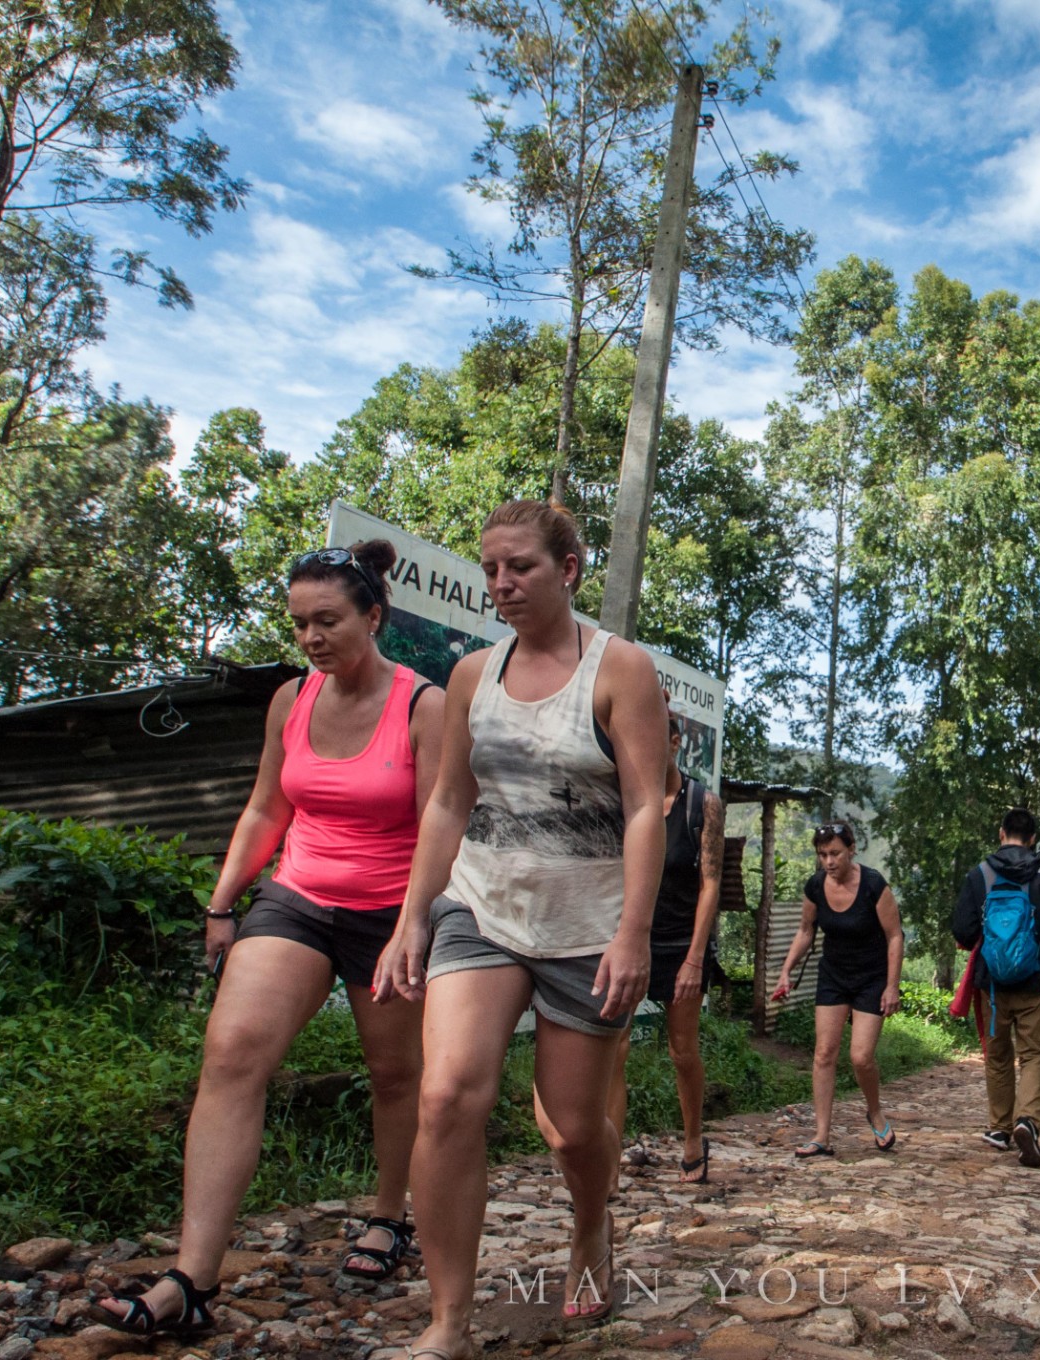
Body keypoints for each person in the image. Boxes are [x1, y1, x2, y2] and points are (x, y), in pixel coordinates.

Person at [93, 542, 444, 1338]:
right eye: (299, 624)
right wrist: (224, 904)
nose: (311, 637)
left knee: (395, 1075)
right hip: (297, 898)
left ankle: (390, 1217)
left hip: (388, 910)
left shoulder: (423, 705)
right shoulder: (290, 699)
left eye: (328, 620)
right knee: (232, 1054)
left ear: (374, 617)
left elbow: (441, 825)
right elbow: (265, 808)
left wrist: (413, 924)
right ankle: (193, 1276)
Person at [374, 499, 669, 1355]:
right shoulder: (472, 675)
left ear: (568, 570)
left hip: (589, 925)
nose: (501, 584)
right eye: (491, 568)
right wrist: (412, 920)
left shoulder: (622, 671)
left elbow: (648, 805)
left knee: (571, 1128)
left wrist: (634, 934)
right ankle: (449, 1321)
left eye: (521, 567)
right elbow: (450, 802)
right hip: (482, 908)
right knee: (446, 1096)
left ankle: (588, 1227)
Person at [535, 704, 727, 1186]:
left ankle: (691, 1138)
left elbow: (710, 885)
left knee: (682, 1050)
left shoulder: (700, 803)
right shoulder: (620, 800)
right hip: (628, 935)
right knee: (614, 1046)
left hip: (682, 940)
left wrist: (694, 960)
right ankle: (611, 1160)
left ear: (675, 742)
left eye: (654, 738)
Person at [951, 806, 1040, 1170]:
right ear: (1033, 839)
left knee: (997, 1056)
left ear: (1001, 834)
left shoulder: (979, 874)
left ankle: (999, 1128)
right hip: (1034, 979)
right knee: (1032, 1056)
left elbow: (963, 930)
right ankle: (1026, 1120)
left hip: (992, 984)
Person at [769, 822, 905, 1158]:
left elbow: (895, 936)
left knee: (861, 1057)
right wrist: (786, 971)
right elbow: (805, 931)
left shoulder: (873, 884)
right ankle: (822, 1135)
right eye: (823, 855)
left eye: (835, 854)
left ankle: (873, 1110)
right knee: (823, 1054)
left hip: (872, 978)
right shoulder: (815, 886)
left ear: (851, 849)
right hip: (833, 975)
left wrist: (892, 986)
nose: (829, 861)